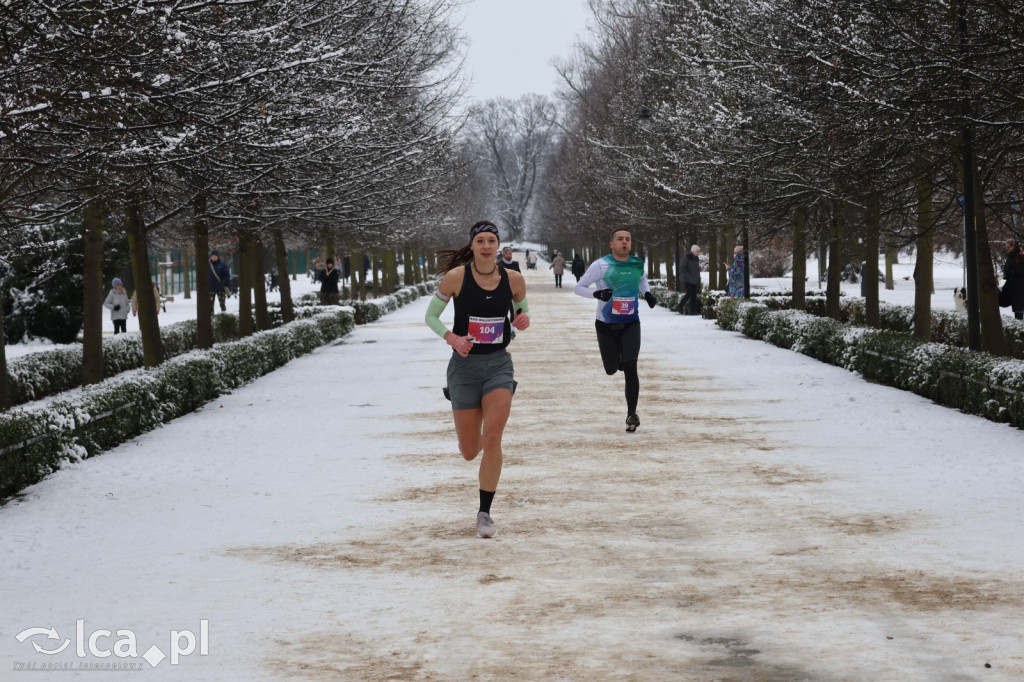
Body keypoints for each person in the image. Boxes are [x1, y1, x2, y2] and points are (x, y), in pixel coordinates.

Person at [424, 221, 530, 538]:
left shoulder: (514, 280)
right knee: (470, 450)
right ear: (472, 246)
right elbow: (430, 316)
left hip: (499, 365)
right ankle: (460, 397)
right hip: (465, 367)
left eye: (492, 240)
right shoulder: (456, 278)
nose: (486, 246)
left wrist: (522, 320)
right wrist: (453, 338)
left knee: (493, 437)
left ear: (499, 246)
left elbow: (520, 313)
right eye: (481, 241)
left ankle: (485, 513)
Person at [574, 228, 656, 432]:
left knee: (631, 367)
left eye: (628, 239)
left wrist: (648, 294)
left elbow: (642, 280)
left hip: (631, 324)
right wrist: (597, 293)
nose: (625, 242)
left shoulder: (637, 263)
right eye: (620, 239)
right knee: (611, 369)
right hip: (606, 325)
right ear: (612, 244)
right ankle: (618, 358)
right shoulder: (601, 265)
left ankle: (632, 414)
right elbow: (579, 287)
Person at [1002, 239, 1024, 320]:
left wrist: (1010, 272)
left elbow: (1020, 270)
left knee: (1019, 308)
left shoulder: (1019, 256)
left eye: (1008, 247)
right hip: (1013, 284)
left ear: (1013, 246)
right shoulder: (1011, 256)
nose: (1007, 248)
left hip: (1018, 285)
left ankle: (1019, 327)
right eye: (1006, 247)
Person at [677, 245, 702, 315]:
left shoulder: (696, 258)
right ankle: (680, 305)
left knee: (694, 295)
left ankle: (692, 311)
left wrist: (697, 277)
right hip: (687, 279)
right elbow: (682, 267)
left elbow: (696, 269)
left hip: (694, 279)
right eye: (697, 251)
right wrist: (687, 276)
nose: (698, 252)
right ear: (693, 250)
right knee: (689, 293)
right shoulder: (687, 257)